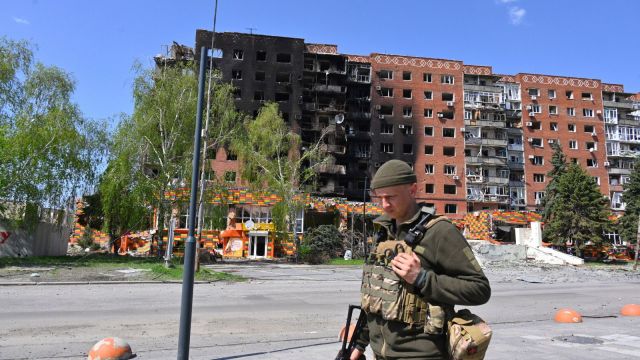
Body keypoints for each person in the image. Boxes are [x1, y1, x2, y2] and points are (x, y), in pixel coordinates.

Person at [350, 160, 491, 360]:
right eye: (379, 197)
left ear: (413, 190)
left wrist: (422, 279)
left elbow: (480, 289)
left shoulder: (440, 232)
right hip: (380, 353)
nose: (384, 204)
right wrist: (360, 343)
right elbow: (377, 295)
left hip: (422, 354)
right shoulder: (384, 232)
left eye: (390, 197)